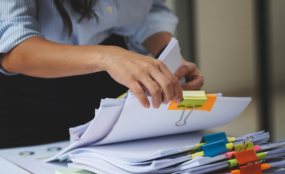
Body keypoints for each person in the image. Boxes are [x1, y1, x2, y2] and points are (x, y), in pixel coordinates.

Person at [0, 0, 204, 148]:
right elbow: (12, 48)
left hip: (112, 83)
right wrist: (107, 57)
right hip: (30, 95)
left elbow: (148, 11)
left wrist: (168, 59)